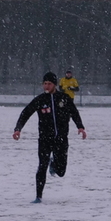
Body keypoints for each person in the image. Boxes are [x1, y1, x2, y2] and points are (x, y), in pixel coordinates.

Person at [13, 71, 87, 203]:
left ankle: (54, 164)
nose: (46, 86)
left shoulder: (64, 98)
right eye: (45, 84)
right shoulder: (40, 100)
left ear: (54, 85)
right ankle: (38, 196)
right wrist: (18, 129)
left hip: (61, 139)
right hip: (45, 139)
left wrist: (80, 127)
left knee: (61, 171)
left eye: (49, 84)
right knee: (42, 166)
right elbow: (26, 113)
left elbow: (74, 112)